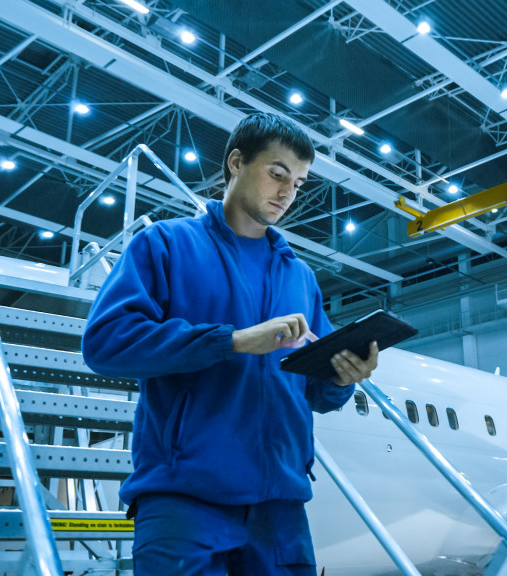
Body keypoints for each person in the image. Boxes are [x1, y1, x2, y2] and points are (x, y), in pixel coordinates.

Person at [82, 112, 379, 575]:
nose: (286, 194)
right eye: (277, 174)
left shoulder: (300, 276)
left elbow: (317, 395)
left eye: (298, 184)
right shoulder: (165, 244)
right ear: (236, 162)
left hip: (281, 509)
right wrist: (233, 341)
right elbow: (105, 343)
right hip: (185, 502)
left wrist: (343, 378)